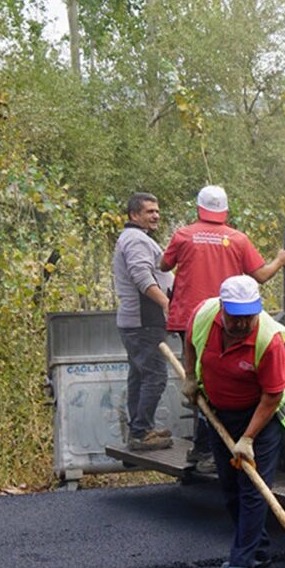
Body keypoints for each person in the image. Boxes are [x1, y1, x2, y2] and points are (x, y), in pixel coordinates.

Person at [180, 276, 285, 568]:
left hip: (260, 418)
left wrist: (247, 438)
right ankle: (258, 551)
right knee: (230, 487)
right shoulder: (204, 316)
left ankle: (241, 563)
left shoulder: (268, 340)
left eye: (249, 315)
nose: (242, 323)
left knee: (252, 489)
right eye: (235, 316)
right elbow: (190, 342)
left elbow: (272, 395)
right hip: (219, 413)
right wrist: (190, 377)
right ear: (222, 309)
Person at [162, 185, 285, 474]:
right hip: (224, 320)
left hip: (193, 317)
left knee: (201, 383)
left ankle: (202, 448)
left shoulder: (183, 235)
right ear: (225, 212)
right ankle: (209, 449)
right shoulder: (237, 239)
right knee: (213, 385)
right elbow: (260, 275)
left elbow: (163, 264)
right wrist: (280, 260)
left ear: (199, 209)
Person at [113, 192, 174, 451]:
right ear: (134, 215)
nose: (156, 215)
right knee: (156, 375)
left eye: (157, 210)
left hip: (136, 322)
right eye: (149, 211)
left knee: (139, 375)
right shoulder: (136, 241)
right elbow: (142, 278)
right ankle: (141, 432)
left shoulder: (134, 238)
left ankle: (141, 428)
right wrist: (167, 303)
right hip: (143, 321)